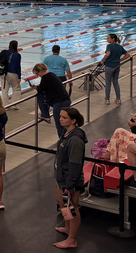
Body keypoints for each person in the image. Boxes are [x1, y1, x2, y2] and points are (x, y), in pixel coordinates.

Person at [53, 107, 87, 249]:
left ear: (73, 121)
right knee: (62, 203)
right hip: (62, 178)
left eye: (64, 117)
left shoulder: (75, 140)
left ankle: (72, 240)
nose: (60, 119)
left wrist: (70, 185)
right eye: (60, 116)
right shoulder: (66, 133)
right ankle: (67, 229)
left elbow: (75, 164)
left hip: (70, 180)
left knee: (72, 209)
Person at [31, 63, 72, 136]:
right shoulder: (51, 75)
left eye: (37, 73)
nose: (37, 75)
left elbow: (40, 90)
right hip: (65, 100)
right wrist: (37, 87)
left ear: (40, 71)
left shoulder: (45, 78)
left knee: (60, 126)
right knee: (64, 126)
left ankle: (63, 145)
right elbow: (46, 87)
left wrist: (37, 88)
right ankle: (65, 144)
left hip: (60, 102)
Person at [99, 33, 130, 104]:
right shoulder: (119, 47)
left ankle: (107, 99)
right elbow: (127, 55)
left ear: (113, 39)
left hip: (109, 66)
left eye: (108, 38)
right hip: (117, 66)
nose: (107, 40)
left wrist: (103, 60)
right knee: (115, 82)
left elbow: (108, 54)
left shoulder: (109, 46)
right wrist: (120, 60)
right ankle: (118, 99)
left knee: (108, 83)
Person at [0, 40, 22, 109]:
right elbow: (18, 66)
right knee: (17, 89)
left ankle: (6, 105)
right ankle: (13, 104)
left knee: (4, 90)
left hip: (3, 74)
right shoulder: (17, 55)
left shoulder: (4, 52)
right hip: (13, 74)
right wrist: (19, 77)